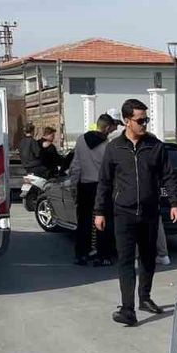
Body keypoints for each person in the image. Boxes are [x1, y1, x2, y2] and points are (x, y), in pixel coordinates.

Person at [94, 99, 177, 326]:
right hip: (123, 212)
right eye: (140, 120)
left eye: (146, 119)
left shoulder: (155, 146)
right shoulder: (114, 148)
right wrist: (99, 212)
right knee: (125, 260)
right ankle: (127, 308)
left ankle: (145, 297)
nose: (144, 124)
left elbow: (169, 176)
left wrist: (174, 203)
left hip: (150, 212)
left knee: (147, 258)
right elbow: (104, 182)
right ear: (126, 122)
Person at [67, 113, 120, 265]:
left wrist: (74, 186)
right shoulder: (107, 145)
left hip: (84, 186)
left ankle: (81, 254)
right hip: (101, 187)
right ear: (107, 128)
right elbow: (111, 170)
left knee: (83, 222)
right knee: (103, 221)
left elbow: (75, 166)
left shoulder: (81, 140)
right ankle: (103, 256)